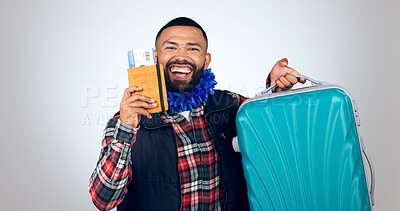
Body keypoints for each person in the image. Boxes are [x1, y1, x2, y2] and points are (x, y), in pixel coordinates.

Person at [89, 17, 305, 211]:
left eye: (193, 49)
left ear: (206, 59)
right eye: (171, 48)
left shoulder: (230, 104)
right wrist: (127, 129)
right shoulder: (124, 121)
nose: (181, 57)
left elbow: (271, 127)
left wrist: (276, 88)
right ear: (156, 57)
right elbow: (104, 200)